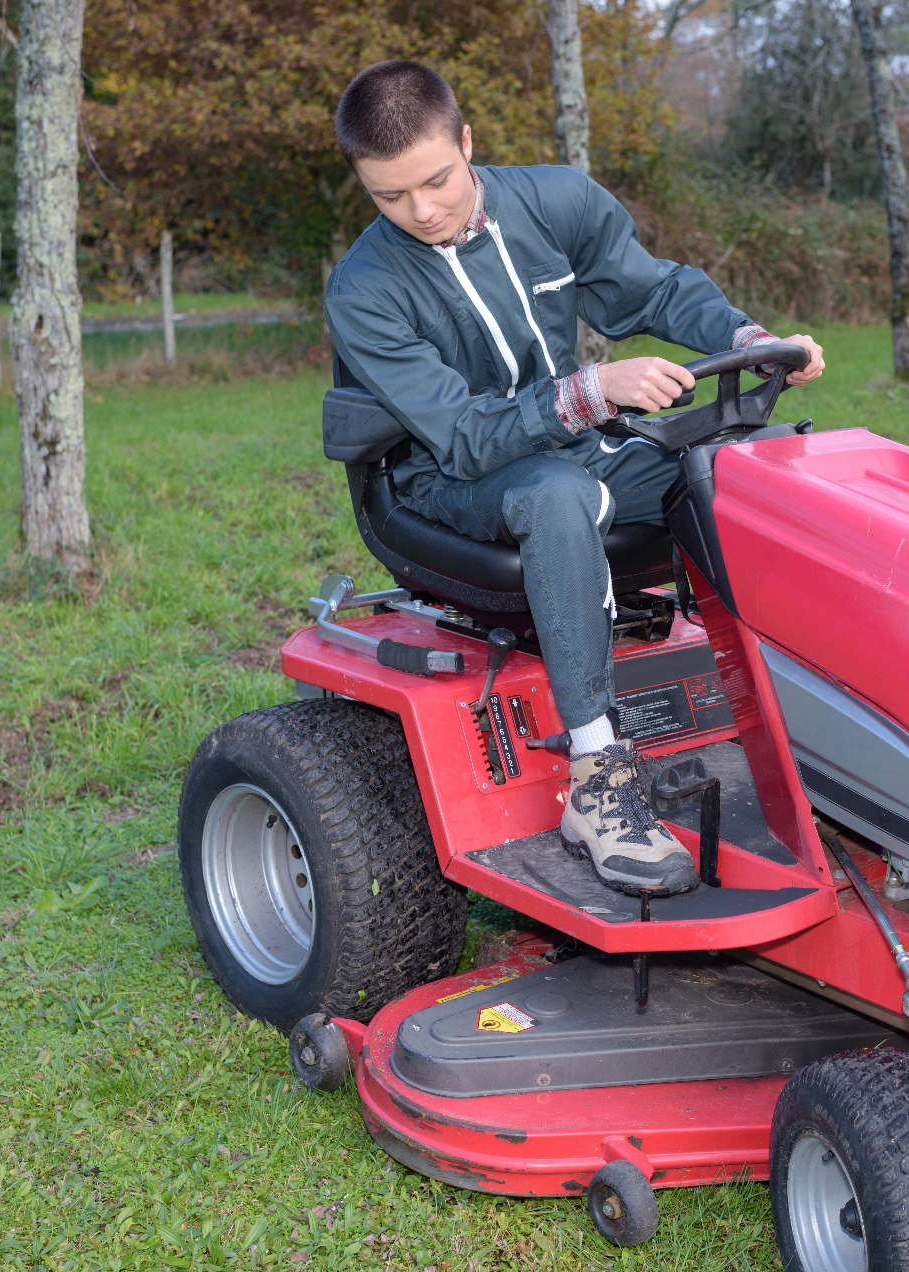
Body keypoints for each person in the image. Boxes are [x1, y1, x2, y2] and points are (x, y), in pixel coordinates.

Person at [325, 60, 825, 896]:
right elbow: (466, 437)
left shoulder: (555, 203)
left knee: (733, 464)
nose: (422, 210)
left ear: (468, 143)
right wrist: (593, 391)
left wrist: (747, 334)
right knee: (557, 494)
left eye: (438, 180)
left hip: (567, 446)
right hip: (441, 484)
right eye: (389, 196)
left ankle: (804, 712)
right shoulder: (365, 289)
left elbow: (654, 290)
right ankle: (597, 782)